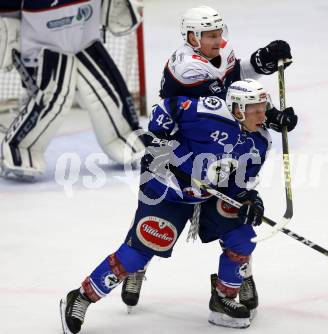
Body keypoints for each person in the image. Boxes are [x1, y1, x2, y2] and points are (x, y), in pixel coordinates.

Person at [59, 79, 298, 332]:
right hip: (167, 188)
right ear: (238, 108)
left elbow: (240, 185)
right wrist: (158, 139)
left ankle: (223, 298)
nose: (263, 116)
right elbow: (167, 107)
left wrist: (250, 201)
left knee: (242, 236)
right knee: (141, 249)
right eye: (256, 110)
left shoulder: (260, 142)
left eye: (264, 108)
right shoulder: (209, 112)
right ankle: (81, 296)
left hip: (209, 194)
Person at [121, 5, 294, 318]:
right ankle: (138, 262)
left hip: (213, 152)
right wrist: (269, 114)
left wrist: (260, 61)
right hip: (177, 156)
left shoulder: (217, 53)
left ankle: (240, 276)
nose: (218, 39)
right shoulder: (186, 67)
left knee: (238, 213)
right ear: (191, 37)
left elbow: (235, 79)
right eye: (209, 35)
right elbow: (227, 105)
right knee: (156, 219)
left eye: (218, 33)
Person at [0, 0, 145, 179]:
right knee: (52, 98)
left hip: (85, 39)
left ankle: (124, 137)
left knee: (107, 92)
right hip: (44, 48)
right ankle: (18, 147)